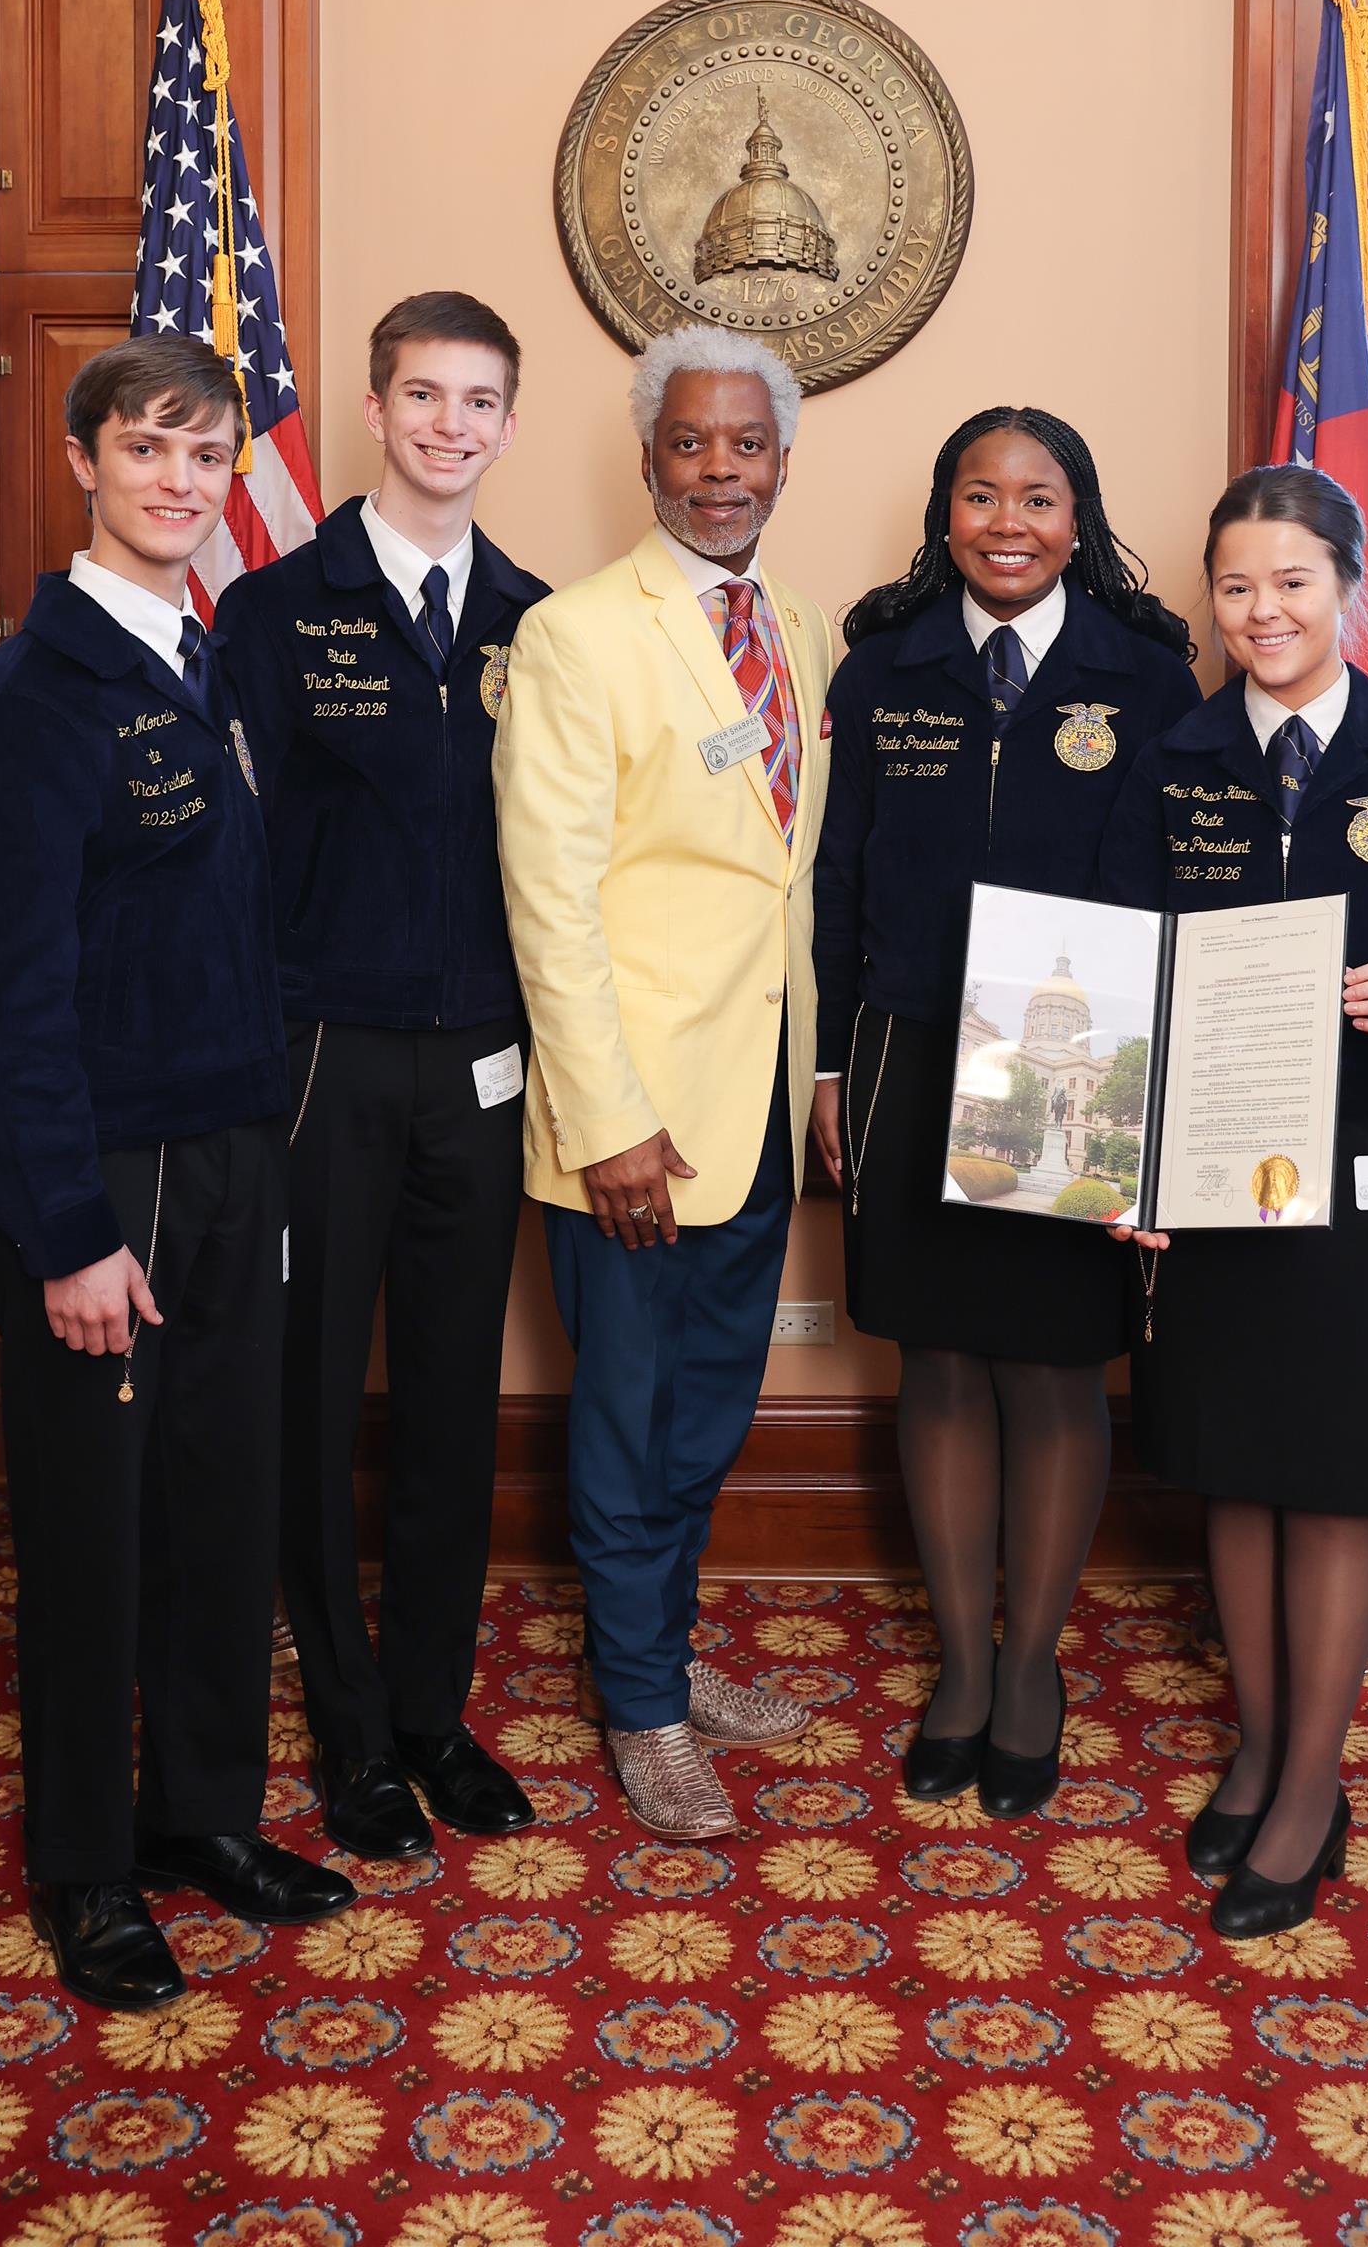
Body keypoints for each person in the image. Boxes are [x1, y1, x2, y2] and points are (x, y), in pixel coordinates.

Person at [0, 333, 353, 2013]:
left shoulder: (206, 662)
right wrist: (70, 1233)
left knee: (222, 1510)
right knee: (97, 1537)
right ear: (84, 461)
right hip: (106, 1183)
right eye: (148, 446)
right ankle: (86, 1868)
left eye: (206, 451)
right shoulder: (24, 708)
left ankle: (203, 1817)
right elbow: (4, 1003)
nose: (180, 479)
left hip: (236, 1154)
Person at [1100, 463, 1368, 1937]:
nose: (1262, 610)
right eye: (1235, 586)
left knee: (1339, 1470)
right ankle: (1260, 1744)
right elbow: (1129, 975)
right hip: (1218, 1165)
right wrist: (1131, 1159)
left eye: (1291, 580)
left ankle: (1308, 1787)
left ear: (1348, 587)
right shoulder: (1175, 763)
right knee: (1234, 1461)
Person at [811, 407, 1199, 1818]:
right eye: (981, 496)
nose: (1009, 523)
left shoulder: (1147, 677)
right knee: (939, 1364)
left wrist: (1155, 1095)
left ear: (1078, 520)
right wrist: (830, 1066)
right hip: (915, 1052)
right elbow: (837, 875)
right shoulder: (883, 664)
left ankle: (1030, 1664)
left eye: (1039, 498)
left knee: (1051, 1371)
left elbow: (1182, 882)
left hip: (1074, 1072)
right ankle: (962, 1674)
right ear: (946, 515)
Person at [493, 324, 836, 1839]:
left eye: (745, 444)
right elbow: (549, 900)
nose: (719, 471)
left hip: (755, 1102)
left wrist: (813, 1073)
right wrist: (609, 1118)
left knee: (707, 1411)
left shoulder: (799, 627)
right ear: (648, 462)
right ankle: (640, 1706)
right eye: (689, 444)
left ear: (782, 462)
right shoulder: (576, 635)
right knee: (631, 1420)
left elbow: (783, 884)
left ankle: (666, 1655)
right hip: (630, 1122)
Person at [220, 293, 549, 1856]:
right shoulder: (278, 608)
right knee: (308, 1397)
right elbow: (227, 853)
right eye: (424, 395)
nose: (449, 426)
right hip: (320, 1063)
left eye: (479, 402)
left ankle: (431, 1713)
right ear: (373, 407)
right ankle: (350, 1732)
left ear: (508, 423)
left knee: (452, 1400)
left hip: (482, 1062)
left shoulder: (536, 623)